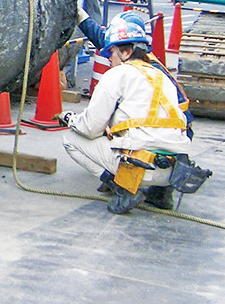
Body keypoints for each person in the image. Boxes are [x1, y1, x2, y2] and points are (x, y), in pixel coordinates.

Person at [60, 16, 193, 214]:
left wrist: (70, 118)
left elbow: (90, 128)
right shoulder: (161, 75)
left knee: (70, 139)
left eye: (112, 52)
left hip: (139, 166)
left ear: (126, 52)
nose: (109, 58)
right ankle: (161, 194)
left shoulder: (117, 74)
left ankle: (123, 188)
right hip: (175, 170)